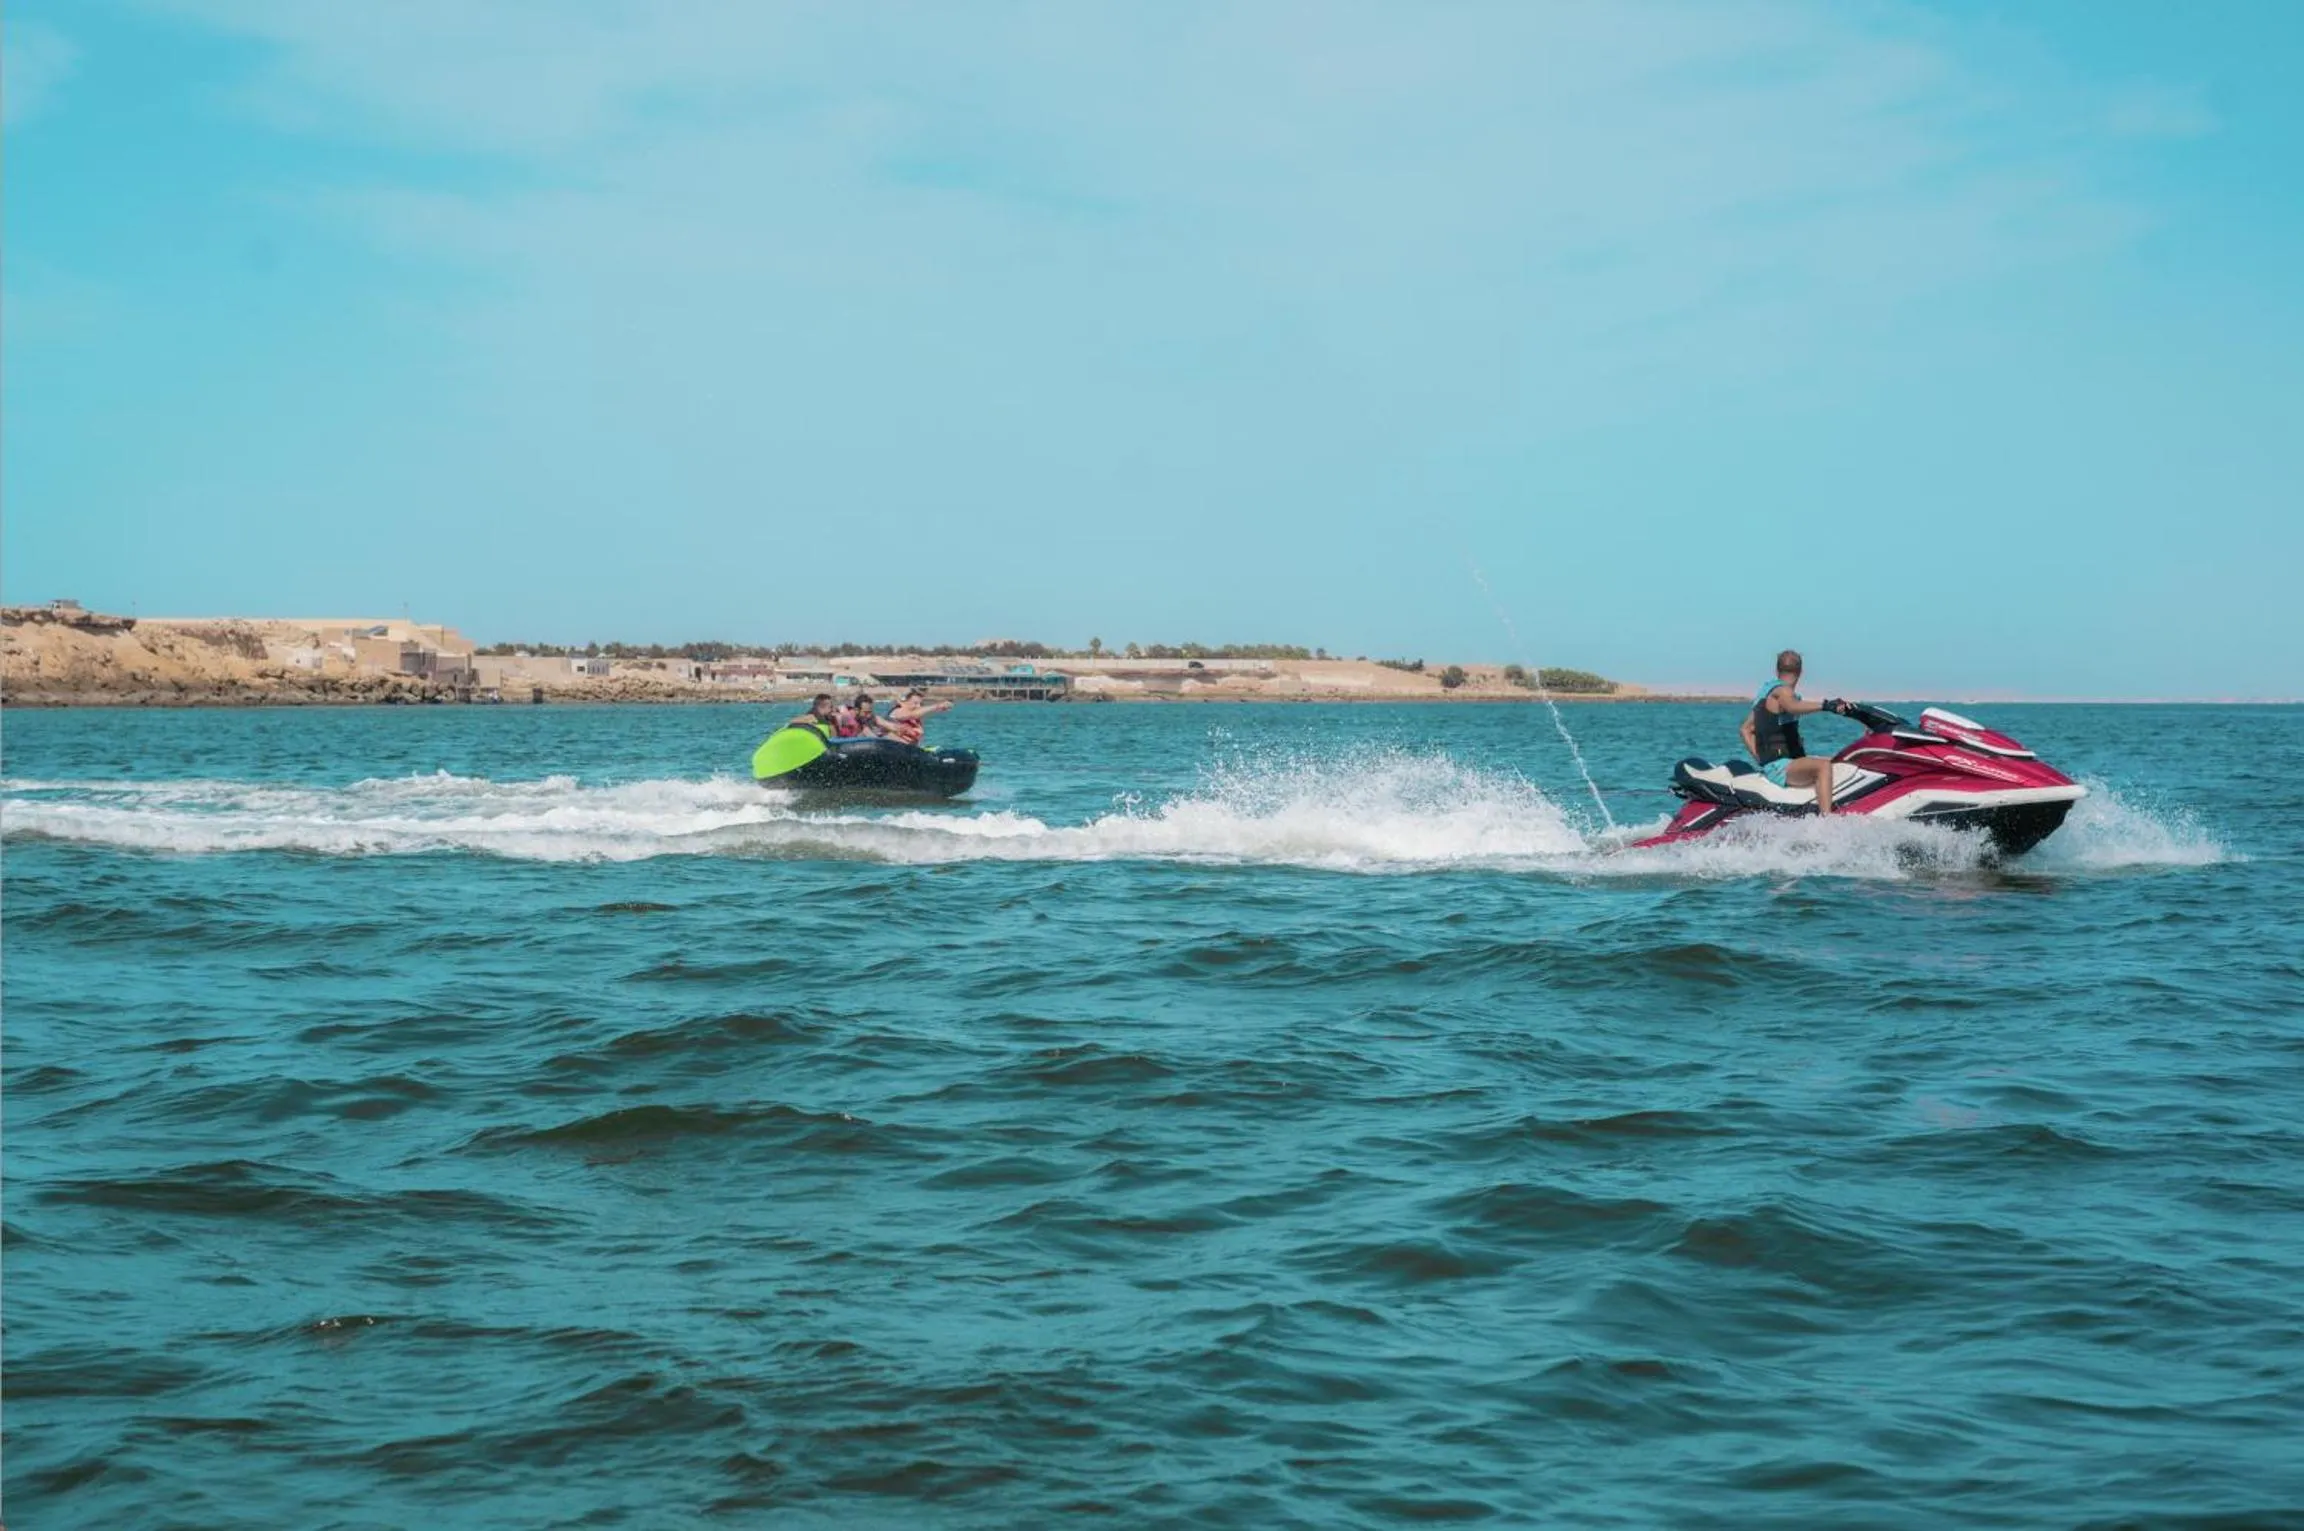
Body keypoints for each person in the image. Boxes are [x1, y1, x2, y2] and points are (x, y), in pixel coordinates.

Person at [1740, 649, 1850, 814]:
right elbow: (1792, 706)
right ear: (1801, 671)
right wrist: (1827, 705)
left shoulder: (1766, 693)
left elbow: (1745, 729)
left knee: (1843, 759)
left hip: (1778, 764)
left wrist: (1763, 760)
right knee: (1823, 766)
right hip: (1781, 766)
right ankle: (1828, 822)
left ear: (1777, 670)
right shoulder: (1782, 692)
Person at [887, 687, 952, 746]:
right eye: (915, 703)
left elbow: (920, 714)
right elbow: (913, 714)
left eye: (920, 704)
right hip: (894, 750)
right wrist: (937, 706)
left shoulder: (914, 718)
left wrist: (939, 709)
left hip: (910, 751)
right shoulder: (897, 712)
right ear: (902, 702)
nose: (918, 706)